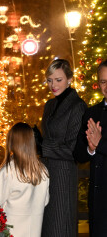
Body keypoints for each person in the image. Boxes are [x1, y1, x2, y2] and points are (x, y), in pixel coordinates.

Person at [40, 59, 87, 237]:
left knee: (60, 227)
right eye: (50, 80)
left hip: (64, 176)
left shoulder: (78, 106)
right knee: (47, 228)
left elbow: (73, 149)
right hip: (46, 175)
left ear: (69, 79)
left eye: (58, 80)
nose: (53, 85)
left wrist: (43, 146)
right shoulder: (49, 105)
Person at [0, 122, 50, 237]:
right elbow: (45, 200)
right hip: (34, 231)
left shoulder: (9, 171)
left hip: (11, 232)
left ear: (12, 142)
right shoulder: (43, 170)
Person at [74, 59, 107, 237]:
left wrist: (100, 143)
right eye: (103, 81)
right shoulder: (91, 113)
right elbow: (79, 154)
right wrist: (91, 148)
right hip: (98, 202)